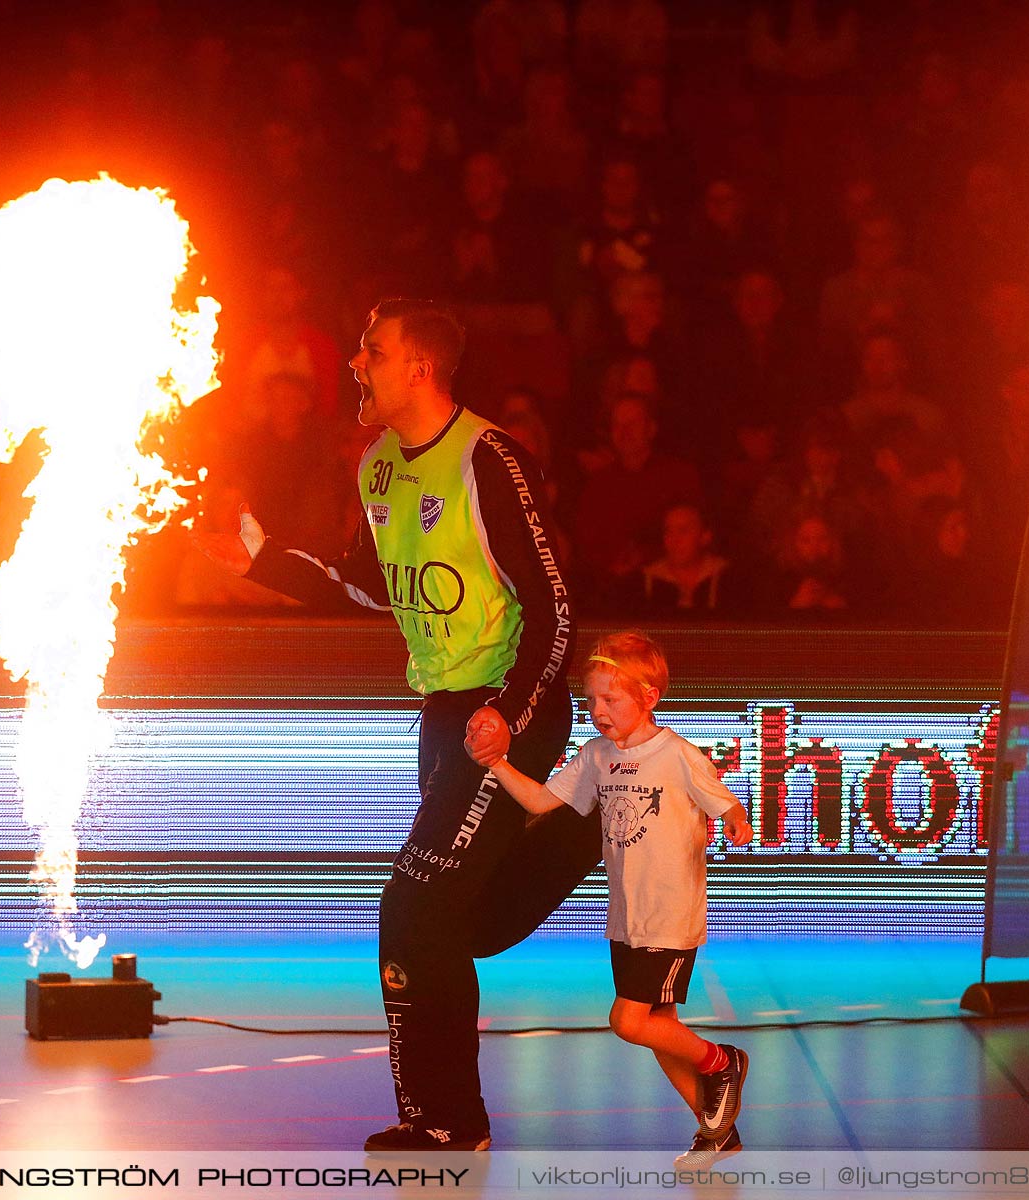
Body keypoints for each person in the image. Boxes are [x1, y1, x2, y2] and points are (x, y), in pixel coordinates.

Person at [197, 298, 597, 1152]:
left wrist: (506, 714)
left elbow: (556, 610)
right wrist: (260, 563)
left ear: (419, 367)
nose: (355, 364)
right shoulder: (379, 466)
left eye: (371, 351)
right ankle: (573, 835)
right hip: (444, 712)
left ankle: (448, 1120)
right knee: (462, 921)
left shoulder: (490, 460)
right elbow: (364, 585)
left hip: (507, 709)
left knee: (411, 910)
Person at [467, 631, 753, 1166]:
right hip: (626, 918)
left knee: (628, 1021)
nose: (597, 711)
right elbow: (541, 798)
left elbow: (726, 806)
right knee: (659, 1029)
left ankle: (722, 1061)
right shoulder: (596, 758)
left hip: (669, 917)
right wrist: (498, 761)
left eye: (610, 699)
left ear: (648, 697)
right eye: (592, 699)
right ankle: (718, 1133)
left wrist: (735, 820)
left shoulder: (677, 756)